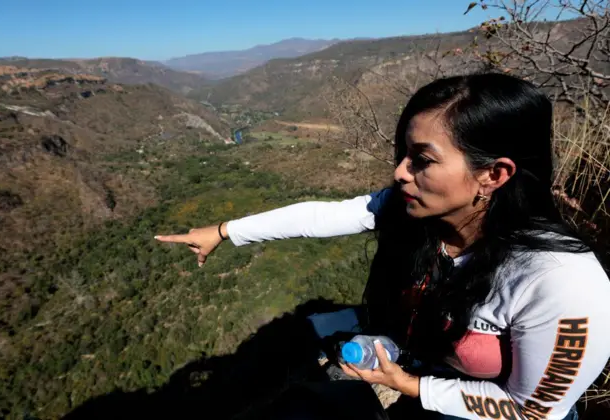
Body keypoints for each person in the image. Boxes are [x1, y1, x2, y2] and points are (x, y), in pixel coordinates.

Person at [155, 73, 610, 420]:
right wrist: (224, 230)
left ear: (494, 174)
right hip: (433, 392)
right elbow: (321, 216)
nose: (399, 172)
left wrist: (409, 386)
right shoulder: (416, 215)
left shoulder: (560, 281)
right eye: (404, 154)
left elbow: (531, 410)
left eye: (422, 161)